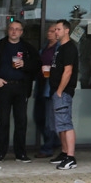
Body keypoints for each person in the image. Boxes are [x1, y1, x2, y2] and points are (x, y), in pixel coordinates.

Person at [0, 20, 39, 163]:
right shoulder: (0, 46)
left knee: (21, 121)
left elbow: (37, 64)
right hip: (4, 87)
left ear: (21, 32)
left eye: (17, 29)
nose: (14, 31)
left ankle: (20, 153)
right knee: (3, 120)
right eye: (12, 29)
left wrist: (25, 64)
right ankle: (0, 153)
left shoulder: (27, 47)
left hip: (21, 87)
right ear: (8, 31)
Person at [48, 19, 79, 169]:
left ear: (66, 30)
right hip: (56, 91)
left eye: (58, 29)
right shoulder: (60, 47)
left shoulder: (69, 48)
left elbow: (68, 71)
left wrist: (60, 90)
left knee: (66, 123)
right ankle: (64, 151)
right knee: (60, 124)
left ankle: (71, 157)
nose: (56, 32)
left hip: (63, 92)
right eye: (55, 30)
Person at [34, 23, 59, 158]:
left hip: (51, 87)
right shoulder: (44, 48)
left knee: (50, 119)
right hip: (41, 84)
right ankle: (54, 141)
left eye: (51, 31)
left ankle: (48, 147)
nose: (49, 33)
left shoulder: (58, 48)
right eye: (48, 31)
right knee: (38, 117)